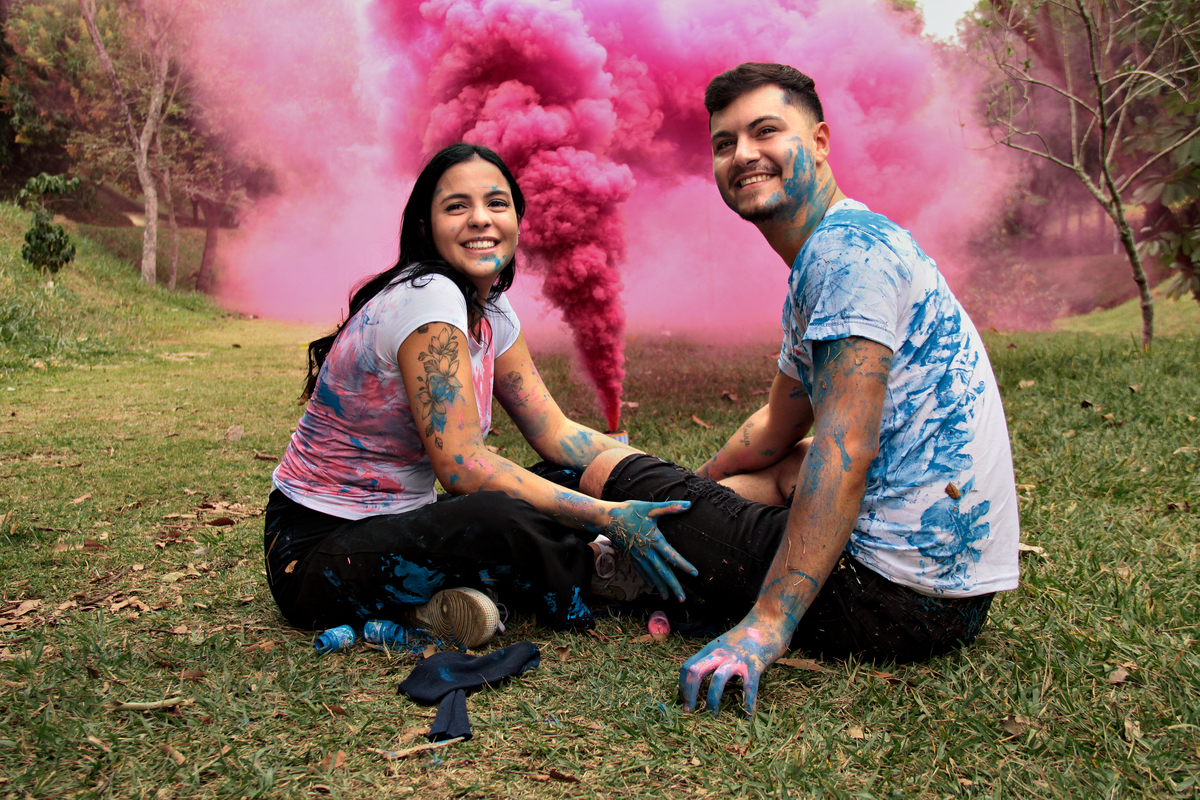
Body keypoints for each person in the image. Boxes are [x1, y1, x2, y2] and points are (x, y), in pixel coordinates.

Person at [576, 63, 1020, 714]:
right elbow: (774, 429)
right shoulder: (844, 241)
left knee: (609, 470)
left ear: (819, 141)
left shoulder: (844, 258)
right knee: (783, 465)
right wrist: (699, 493)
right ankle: (636, 554)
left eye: (765, 131)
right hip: (957, 599)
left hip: (886, 600)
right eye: (725, 143)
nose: (742, 154)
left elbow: (846, 448)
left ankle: (599, 565)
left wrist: (768, 624)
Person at [263, 143, 695, 648]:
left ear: (517, 219)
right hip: (316, 555)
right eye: (456, 206)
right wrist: (607, 515)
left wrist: (651, 476)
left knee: (572, 477)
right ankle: (603, 567)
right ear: (425, 226)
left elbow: (556, 432)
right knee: (498, 517)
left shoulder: (491, 307)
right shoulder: (429, 296)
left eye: (496, 203)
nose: (479, 219)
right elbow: (463, 467)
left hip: (403, 527)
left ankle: (437, 604)